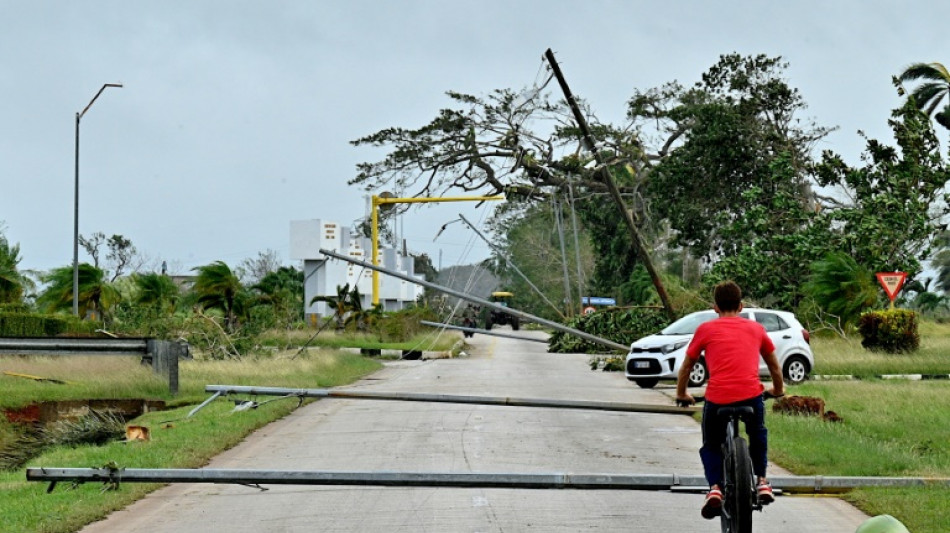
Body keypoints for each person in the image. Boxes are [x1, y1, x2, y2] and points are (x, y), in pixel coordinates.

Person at [675, 280, 785, 520]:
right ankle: (762, 481)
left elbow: (686, 367)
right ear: (741, 306)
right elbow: (775, 367)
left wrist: (682, 394)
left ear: (715, 307)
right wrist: (777, 390)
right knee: (757, 432)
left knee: (711, 443)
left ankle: (715, 487)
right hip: (751, 395)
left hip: (717, 398)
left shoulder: (705, 330)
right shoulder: (756, 329)